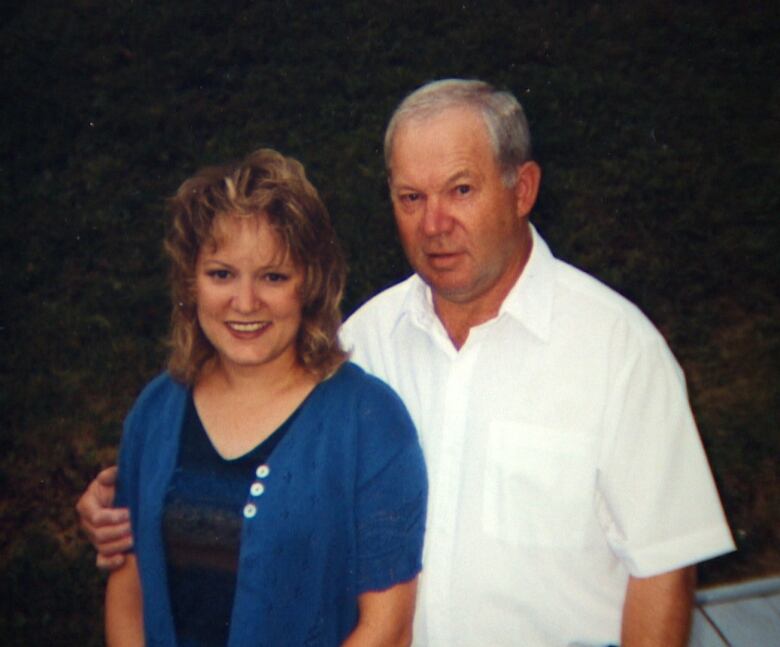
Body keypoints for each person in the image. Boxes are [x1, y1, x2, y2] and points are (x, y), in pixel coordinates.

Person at [80, 80, 735, 646]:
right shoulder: (362, 342)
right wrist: (120, 501)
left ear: (523, 188)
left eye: (460, 189)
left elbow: (664, 568)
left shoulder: (617, 350)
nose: (434, 223)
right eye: (410, 197)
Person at [99, 148, 427, 646]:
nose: (245, 302)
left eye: (273, 276)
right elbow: (128, 591)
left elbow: (387, 628)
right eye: (221, 274)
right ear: (191, 281)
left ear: (310, 285)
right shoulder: (157, 410)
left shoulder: (369, 423)